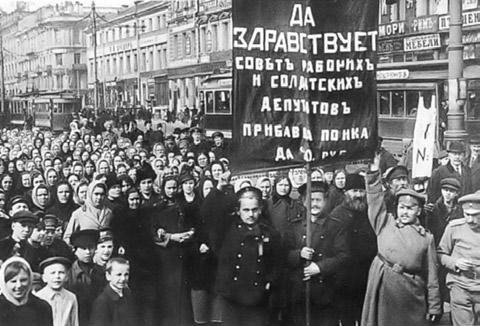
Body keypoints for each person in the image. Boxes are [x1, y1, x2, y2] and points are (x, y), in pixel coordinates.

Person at [361, 154, 442, 326]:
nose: (405, 212)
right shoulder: (385, 222)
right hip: (383, 286)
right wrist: (374, 172)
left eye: (410, 208)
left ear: (418, 211)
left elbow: (432, 277)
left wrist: (434, 306)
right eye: (401, 207)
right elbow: (375, 200)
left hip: (411, 294)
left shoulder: (427, 238)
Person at [284, 181, 349, 326]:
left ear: (325, 201)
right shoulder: (294, 226)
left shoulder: (335, 226)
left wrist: (319, 268)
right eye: (311, 200)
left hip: (325, 294)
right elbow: (283, 255)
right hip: (299, 293)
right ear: (304, 202)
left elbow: (343, 257)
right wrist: (298, 254)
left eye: (318, 200)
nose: (314, 204)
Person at [215, 187, 282, 326]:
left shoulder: (270, 234)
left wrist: (270, 282)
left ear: (260, 210)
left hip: (258, 297)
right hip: (232, 296)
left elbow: (277, 263)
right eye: (246, 210)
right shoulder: (226, 230)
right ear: (238, 211)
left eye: (254, 209)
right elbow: (210, 211)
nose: (250, 214)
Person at [330, 174, 376, 326]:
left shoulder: (369, 213)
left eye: (361, 191)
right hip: (344, 280)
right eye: (354, 190)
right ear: (346, 193)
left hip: (366, 276)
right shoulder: (337, 215)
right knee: (347, 318)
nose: (358, 195)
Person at [438, 192, 480, 326]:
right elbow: (439, 254)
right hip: (460, 287)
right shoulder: (454, 228)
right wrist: (455, 262)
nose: (470, 220)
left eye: (475, 215)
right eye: (467, 214)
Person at [66, 229, 106, 326]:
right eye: (83, 248)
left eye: (91, 247)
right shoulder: (68, 274)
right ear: (75, 251)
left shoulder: (102, 272)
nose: (88, 252)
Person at [0, 256, 53, 326]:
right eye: (13, 281)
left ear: (30, 280)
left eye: (23, 280)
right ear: (4, 283)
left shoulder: (42, 307)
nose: (19, 285)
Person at [90, 258, 138, 326]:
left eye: (126, 274)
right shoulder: (102, 302)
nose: (123, 279)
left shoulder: (127, 294)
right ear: (108, 276)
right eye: (119, 275)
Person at [63, 181, 113, 245]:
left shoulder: (109, 213)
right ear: (90, 194)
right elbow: (67, 237)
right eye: (96, 194)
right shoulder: (79, 213)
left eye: (102, 194)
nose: (99, 197)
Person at [35, 257, 79, 326]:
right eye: (52, 273)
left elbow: (74, 322)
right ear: (44, 278)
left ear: (67, 277)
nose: (57, 276)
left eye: (61, 273)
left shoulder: (71, 297)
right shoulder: (38, 297)